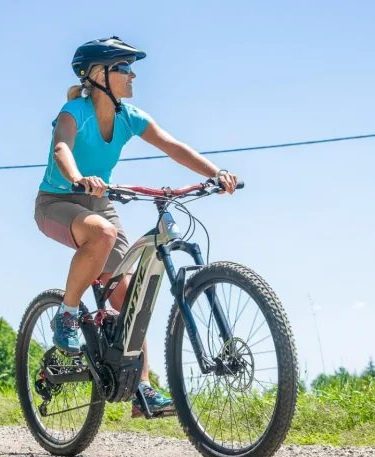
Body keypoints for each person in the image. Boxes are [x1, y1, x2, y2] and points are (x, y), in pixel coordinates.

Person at [34, 37, 239, 417]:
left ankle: (142, 391)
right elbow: (62, 147)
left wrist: (216, 172)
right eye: (124, 68)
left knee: (130, 300)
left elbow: (172, 145)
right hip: (58, 201)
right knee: (103, 233)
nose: (133, 75)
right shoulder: (74, 111)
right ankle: (67, 312)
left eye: (131, 68)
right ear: (99, 75)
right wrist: (79, 177)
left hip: (99, 203)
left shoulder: (129, 117)